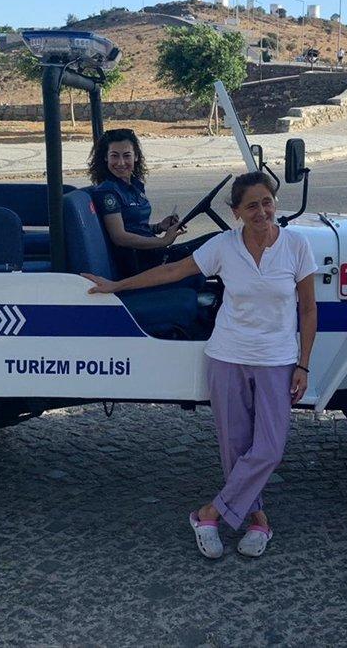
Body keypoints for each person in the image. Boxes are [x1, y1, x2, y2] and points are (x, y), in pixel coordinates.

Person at [84, 171, 318, 560]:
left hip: (277, 359)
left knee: (270, 448)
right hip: (227, 356)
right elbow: (173, 271)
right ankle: (258, 519)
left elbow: (308, 309)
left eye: (267, 202)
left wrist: (304, 365)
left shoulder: (296, 246)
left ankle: (208, 513)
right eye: (251, 206)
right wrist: (116, 286)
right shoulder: (223, 246)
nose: (262, 212)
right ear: (236, 212)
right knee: (235, 446)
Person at [87, 128, 190, 277]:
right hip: (140, 262)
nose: (121, 163)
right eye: (114, 156)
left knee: (217, 240)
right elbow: (119, 236)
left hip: (151, 253)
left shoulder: (135, 186)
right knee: (214, 247)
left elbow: (134, 226)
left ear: (136, 157)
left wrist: (159, 227)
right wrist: (163, 241)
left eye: (127, 156)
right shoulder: (108, 192)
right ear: (105, 158)